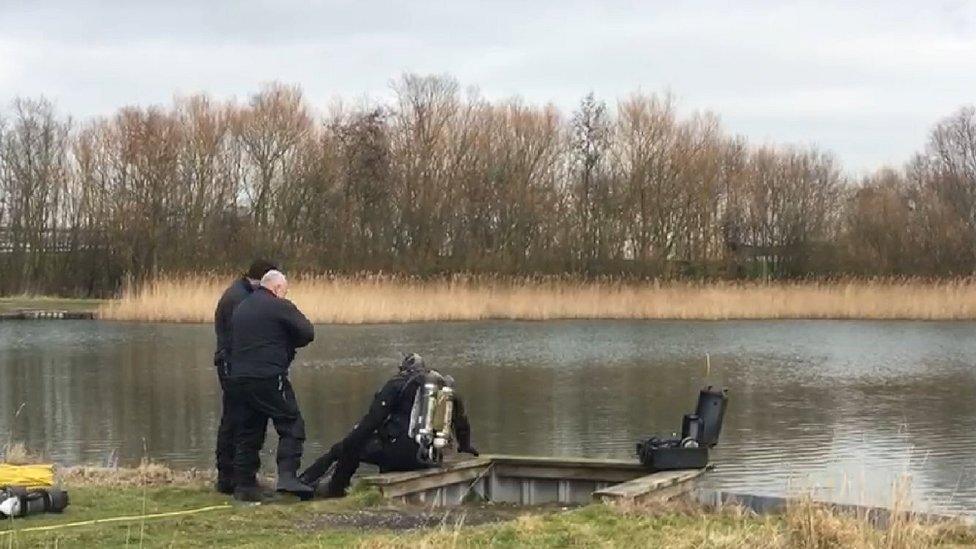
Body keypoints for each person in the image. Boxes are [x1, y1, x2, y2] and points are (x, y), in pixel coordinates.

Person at [299, 353, 479, 498]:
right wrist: (466, 446)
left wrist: (347, 443)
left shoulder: (397, 384)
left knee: (348, 447)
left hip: (398, 456)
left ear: (404, 368)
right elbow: (461, 422)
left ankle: (332, 488)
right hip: (429, 460)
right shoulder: (443, 390)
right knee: (371, 443)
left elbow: (371, 422)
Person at [224, 270, 316, 501]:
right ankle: (287, 477)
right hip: (268, 376)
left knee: (249, 431)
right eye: (284, 291)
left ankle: (244, 485)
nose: (284, 295)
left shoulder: (242, 307)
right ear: (276, 288)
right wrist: (288, 341)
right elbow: (307, 332)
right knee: (291, 423)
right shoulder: (279, 305)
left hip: (238, 379)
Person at [212, 259, 278, 494]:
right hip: (234, 367)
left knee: (234, 420)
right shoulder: (239, 300)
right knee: (239, 421)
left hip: (234, 365)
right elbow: (246, 336)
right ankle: (235, 478)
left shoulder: (240, 293)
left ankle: (232, 477)